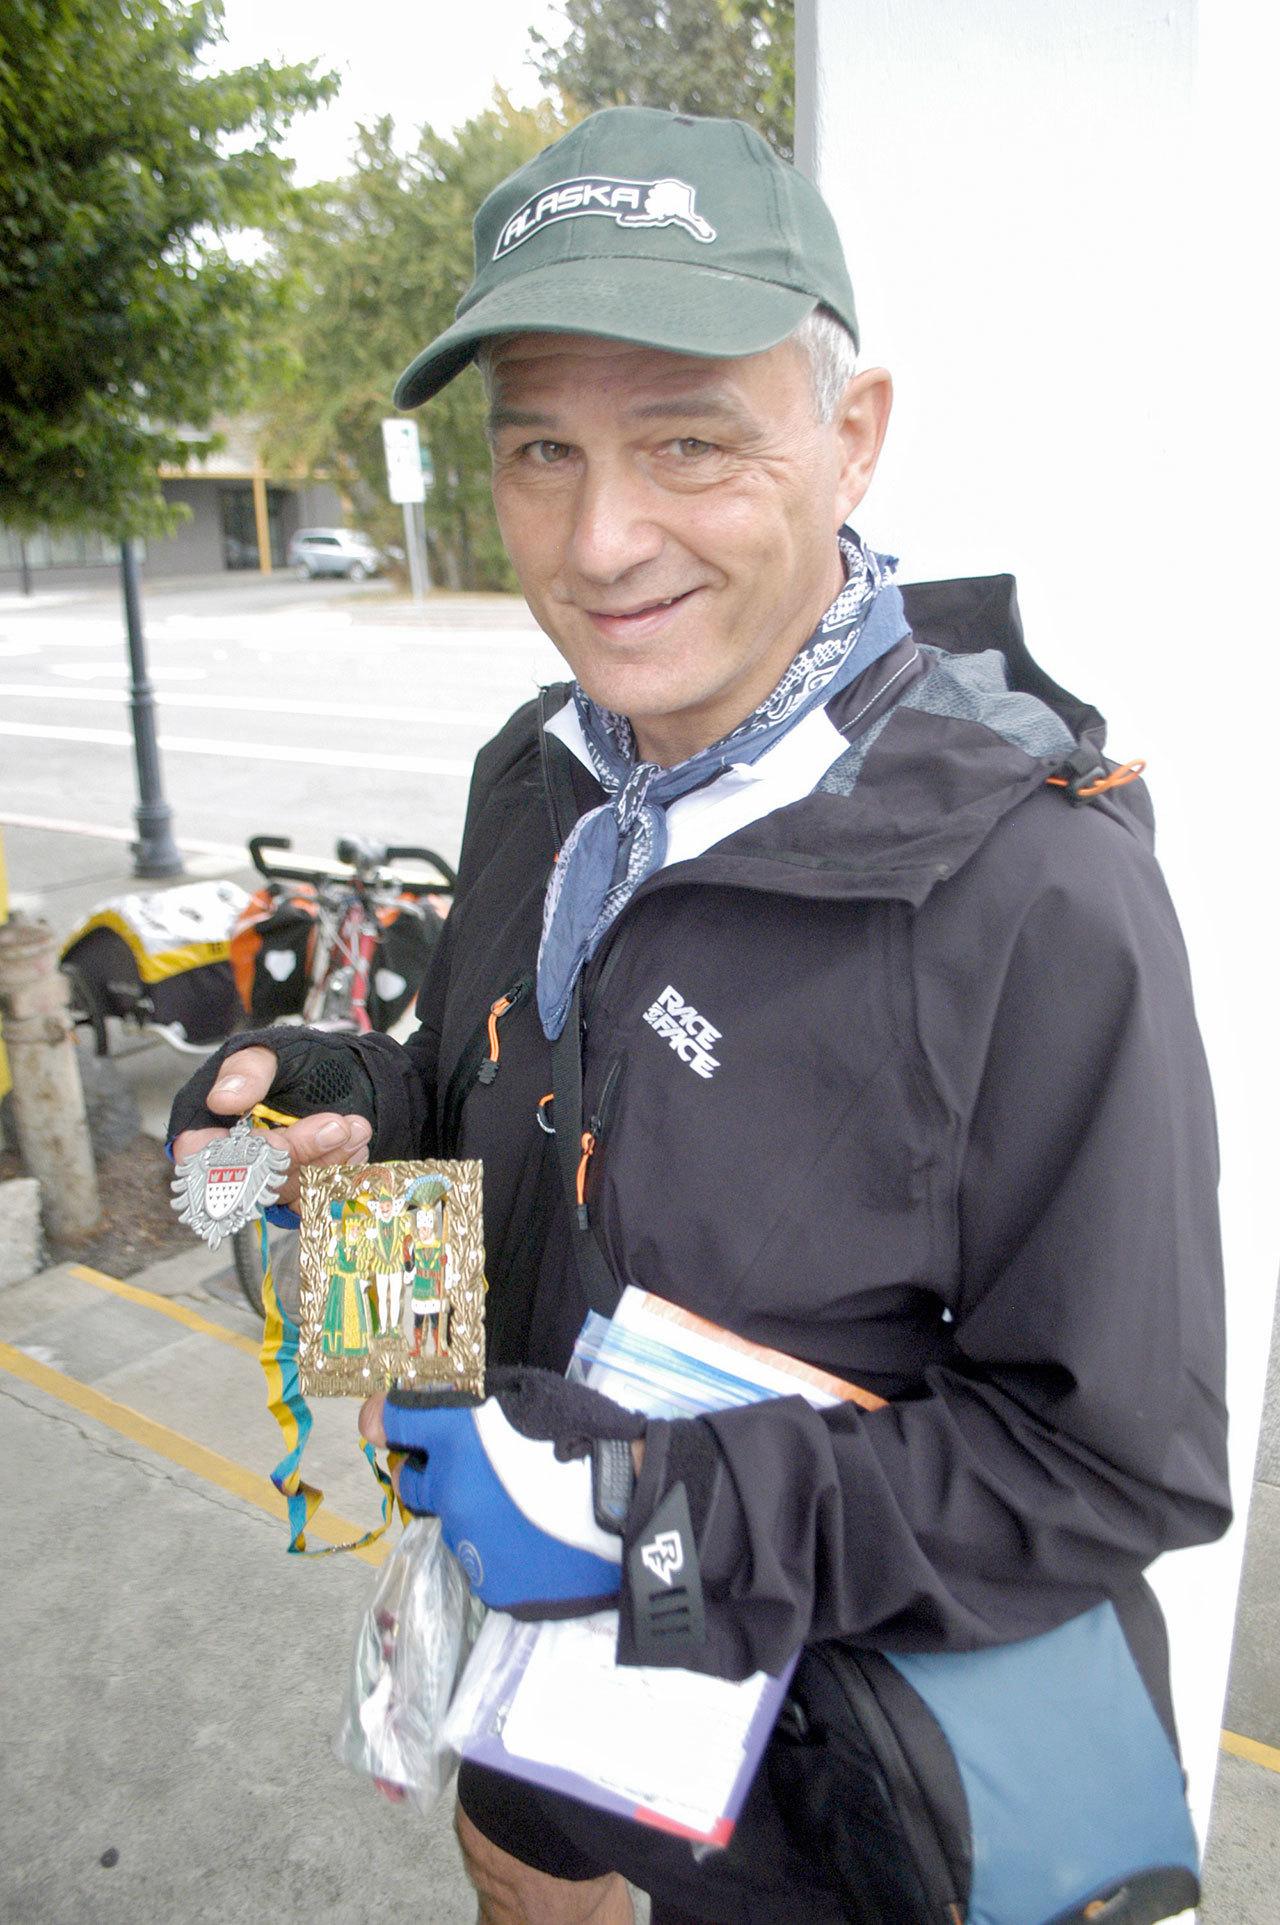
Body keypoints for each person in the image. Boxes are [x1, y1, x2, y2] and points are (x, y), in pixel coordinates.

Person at [170, 108, 1229, 1925]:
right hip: (526, 1670)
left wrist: (629, 1516)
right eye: (542, 450)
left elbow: (1110, 1464)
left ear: (854, 436)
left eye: (689, 441)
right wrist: (343, 1122)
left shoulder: (1038, 892)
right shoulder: (537, 770)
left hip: (818, 1788)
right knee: (519, 1880)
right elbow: (505, 1108)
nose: (601, 540)